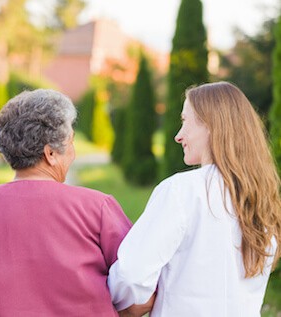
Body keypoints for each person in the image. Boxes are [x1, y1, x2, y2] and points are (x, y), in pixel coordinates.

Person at [0, 89, 147, 317]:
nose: (73, 152)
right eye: (70, 142)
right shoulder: (97, 208)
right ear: (50, 153)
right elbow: (140, 293)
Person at [108, 81, 281, 316]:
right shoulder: (263, 199)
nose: (179, 136)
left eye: (185, 121)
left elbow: (131, 274)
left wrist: (126, 303)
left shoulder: (181, 191)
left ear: (211, 124)